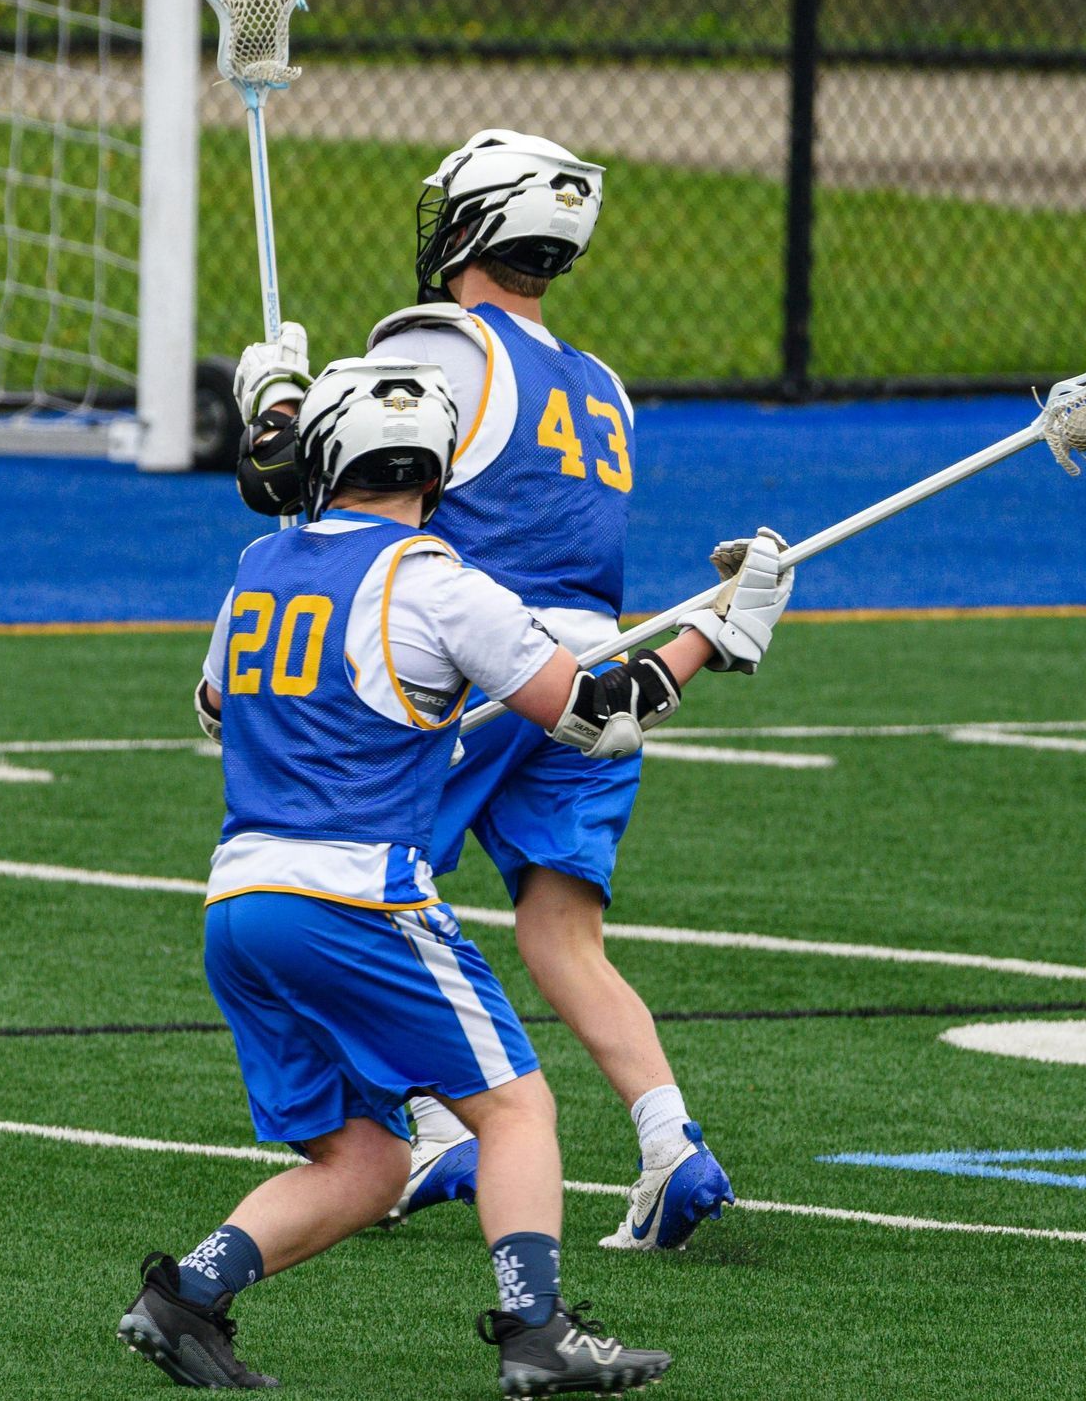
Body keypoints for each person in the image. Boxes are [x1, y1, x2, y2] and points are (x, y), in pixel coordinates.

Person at [119, 356, 793, 1392]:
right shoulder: (435, 580)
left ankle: (186, 1296)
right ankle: (537, 1329)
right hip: (357, 897)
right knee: (516, 1108)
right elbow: (600, 716)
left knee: (367, 1161)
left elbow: (215, 707)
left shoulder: (258, 564)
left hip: (239, 903)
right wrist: (715, 627)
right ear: (438, 470)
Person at [226, 131, 752, 1252]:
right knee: (562, 932)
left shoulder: (437, 341)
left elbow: (300, 477)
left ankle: (427, 1128)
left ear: (472, 225)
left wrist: (273, 392)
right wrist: (708, 630)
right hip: (594, 658)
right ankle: (670, 1141)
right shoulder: (602, 386)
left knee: (362, 886)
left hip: (473, 664)